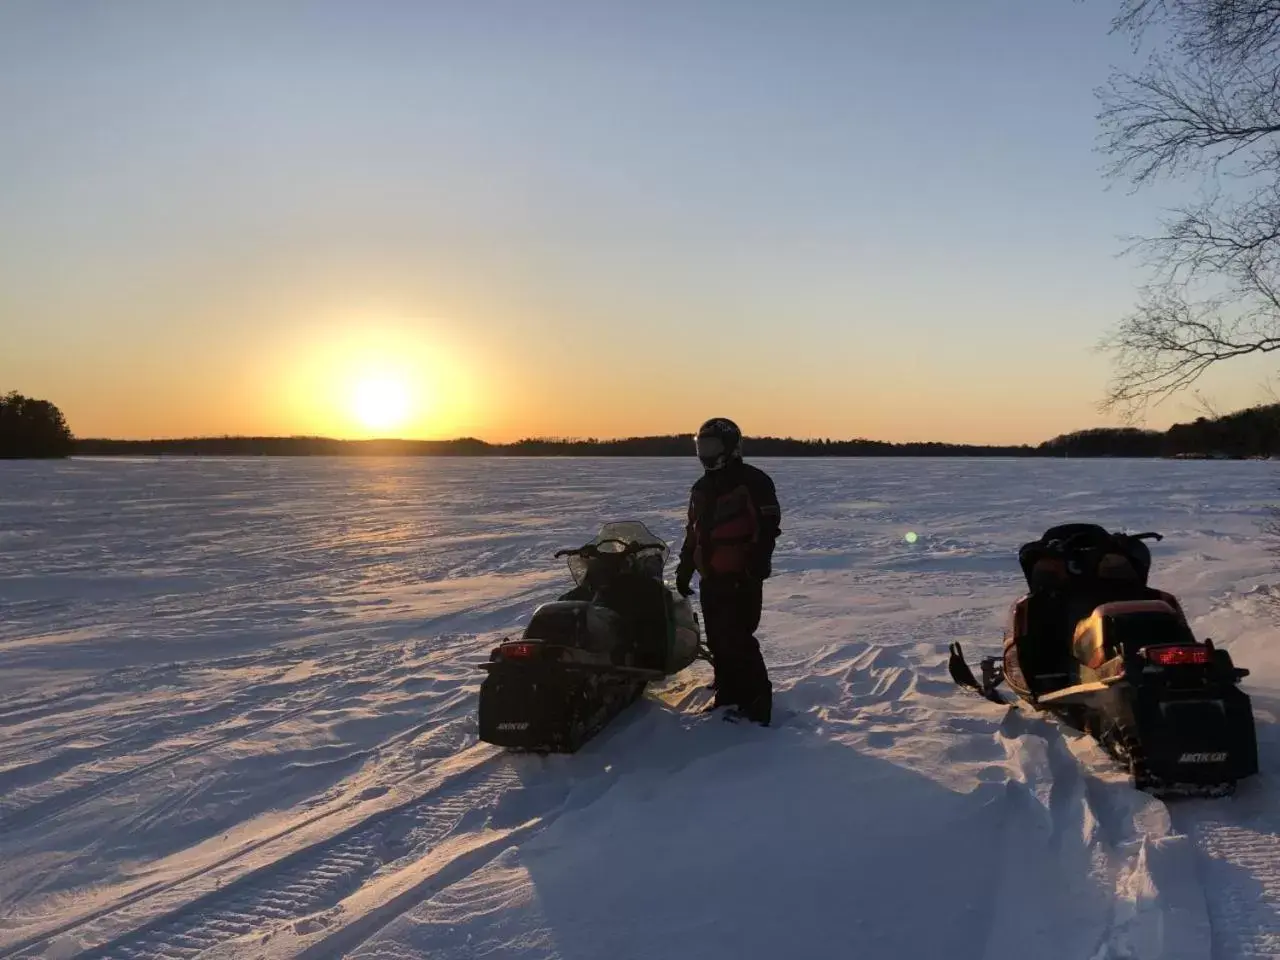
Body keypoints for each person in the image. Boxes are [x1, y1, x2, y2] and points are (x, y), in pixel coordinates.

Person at [674, 417, 781, 725]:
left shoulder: (753, 481)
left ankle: (758, 703)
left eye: (712, 445)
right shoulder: (701, 487)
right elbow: (693, 531)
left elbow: (768, 525)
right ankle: (728, 695)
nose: (706, 452)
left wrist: (758, 561)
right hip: (712, 576)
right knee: (719, 640)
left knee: (739, 640)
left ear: (731, 447)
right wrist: (685, 565)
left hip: (741, 576)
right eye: (701, 445)